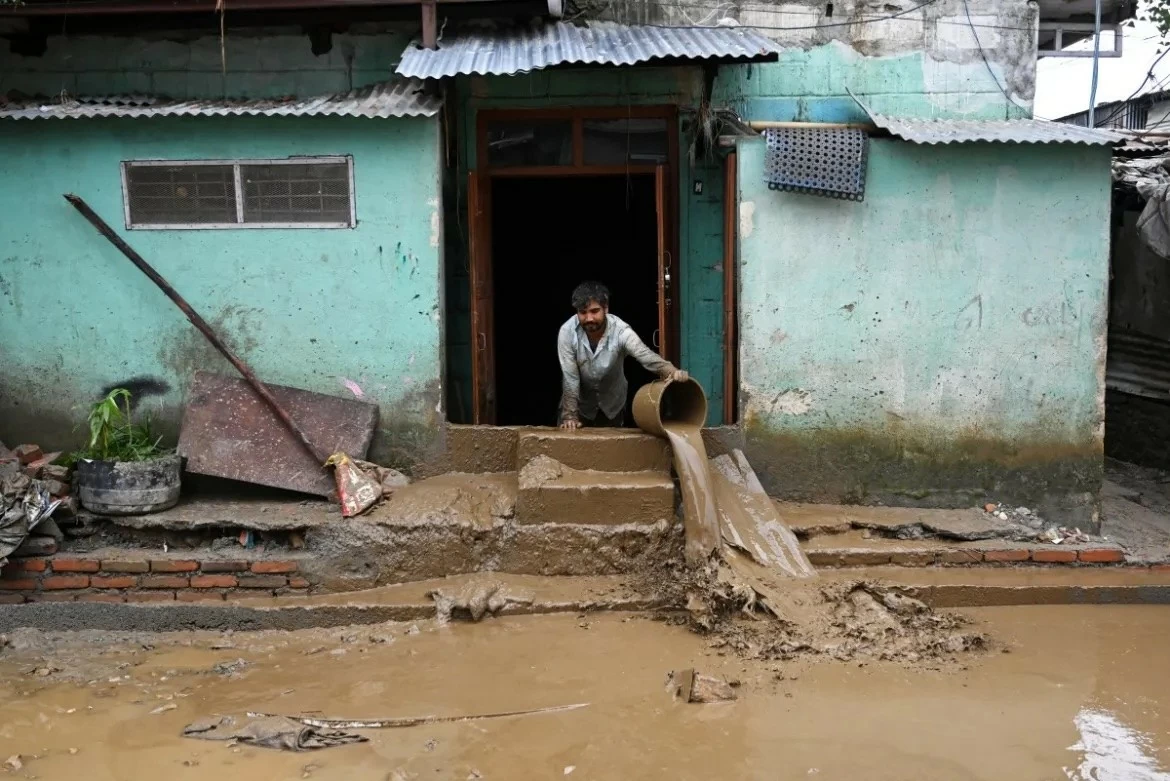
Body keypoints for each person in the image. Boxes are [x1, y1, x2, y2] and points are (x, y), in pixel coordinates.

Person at [557, 281, 688, 430]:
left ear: (606, 308)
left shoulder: (621, 331)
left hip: (612, 406)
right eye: (583, 312)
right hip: (579, 406)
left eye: (594, 311)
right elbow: (570, 377)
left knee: (611, 450)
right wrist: (570, 416)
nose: (589, 318)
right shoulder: (567, 332)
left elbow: (643, 354)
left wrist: (671, 371)